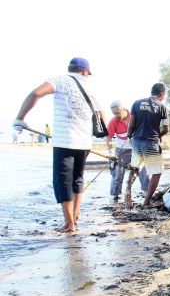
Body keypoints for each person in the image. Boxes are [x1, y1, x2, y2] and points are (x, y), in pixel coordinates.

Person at [13, 57, 105, 233]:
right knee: (78, 178)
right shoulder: (91, 89)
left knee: (63, 181)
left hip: (65, 141)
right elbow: (101, 115)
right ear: (85, 71)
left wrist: (20, 118)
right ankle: (75, 217)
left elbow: (35, 94)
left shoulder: (59, 80)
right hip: (85, 142)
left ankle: (69, 224)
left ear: (70, 68)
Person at [126, 83, 169, 206]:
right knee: (156, 172)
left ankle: (127, 192)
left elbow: (131, 124)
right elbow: (166, 129)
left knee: (135, 167)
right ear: (161, 94)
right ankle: (147, 201)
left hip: (137, 142)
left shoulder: (136, 103)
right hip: (151, 142)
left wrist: (129, 135)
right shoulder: (162, 107)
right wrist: (159, 136)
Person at [106, 100, 149, 202]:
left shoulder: (135, 117)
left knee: (143, 170)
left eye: (117, 113)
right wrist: (110, 152)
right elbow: (108, 138)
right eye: (113, 113)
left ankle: (147, 192)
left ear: (124, 109)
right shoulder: (113, 121)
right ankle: (115, 196)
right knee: (117, 172)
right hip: (121, 152)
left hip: (137, 149)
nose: (115, 116)